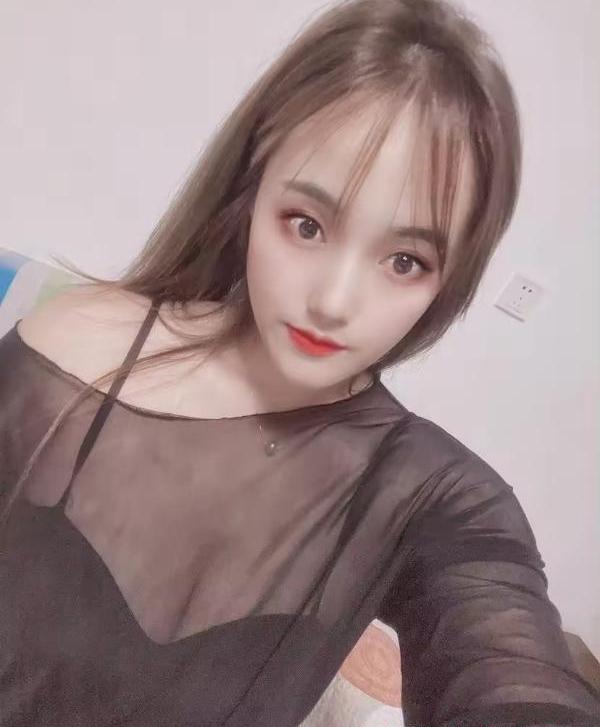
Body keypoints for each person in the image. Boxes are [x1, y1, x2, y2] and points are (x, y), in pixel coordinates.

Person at [0, 0, 599, 725]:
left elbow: (507, 665)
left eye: (405, 260)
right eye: (307, 224)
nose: (334, 302)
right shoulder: (79, 347)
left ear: (450, 278)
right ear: (252, 188)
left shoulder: (433, 495)